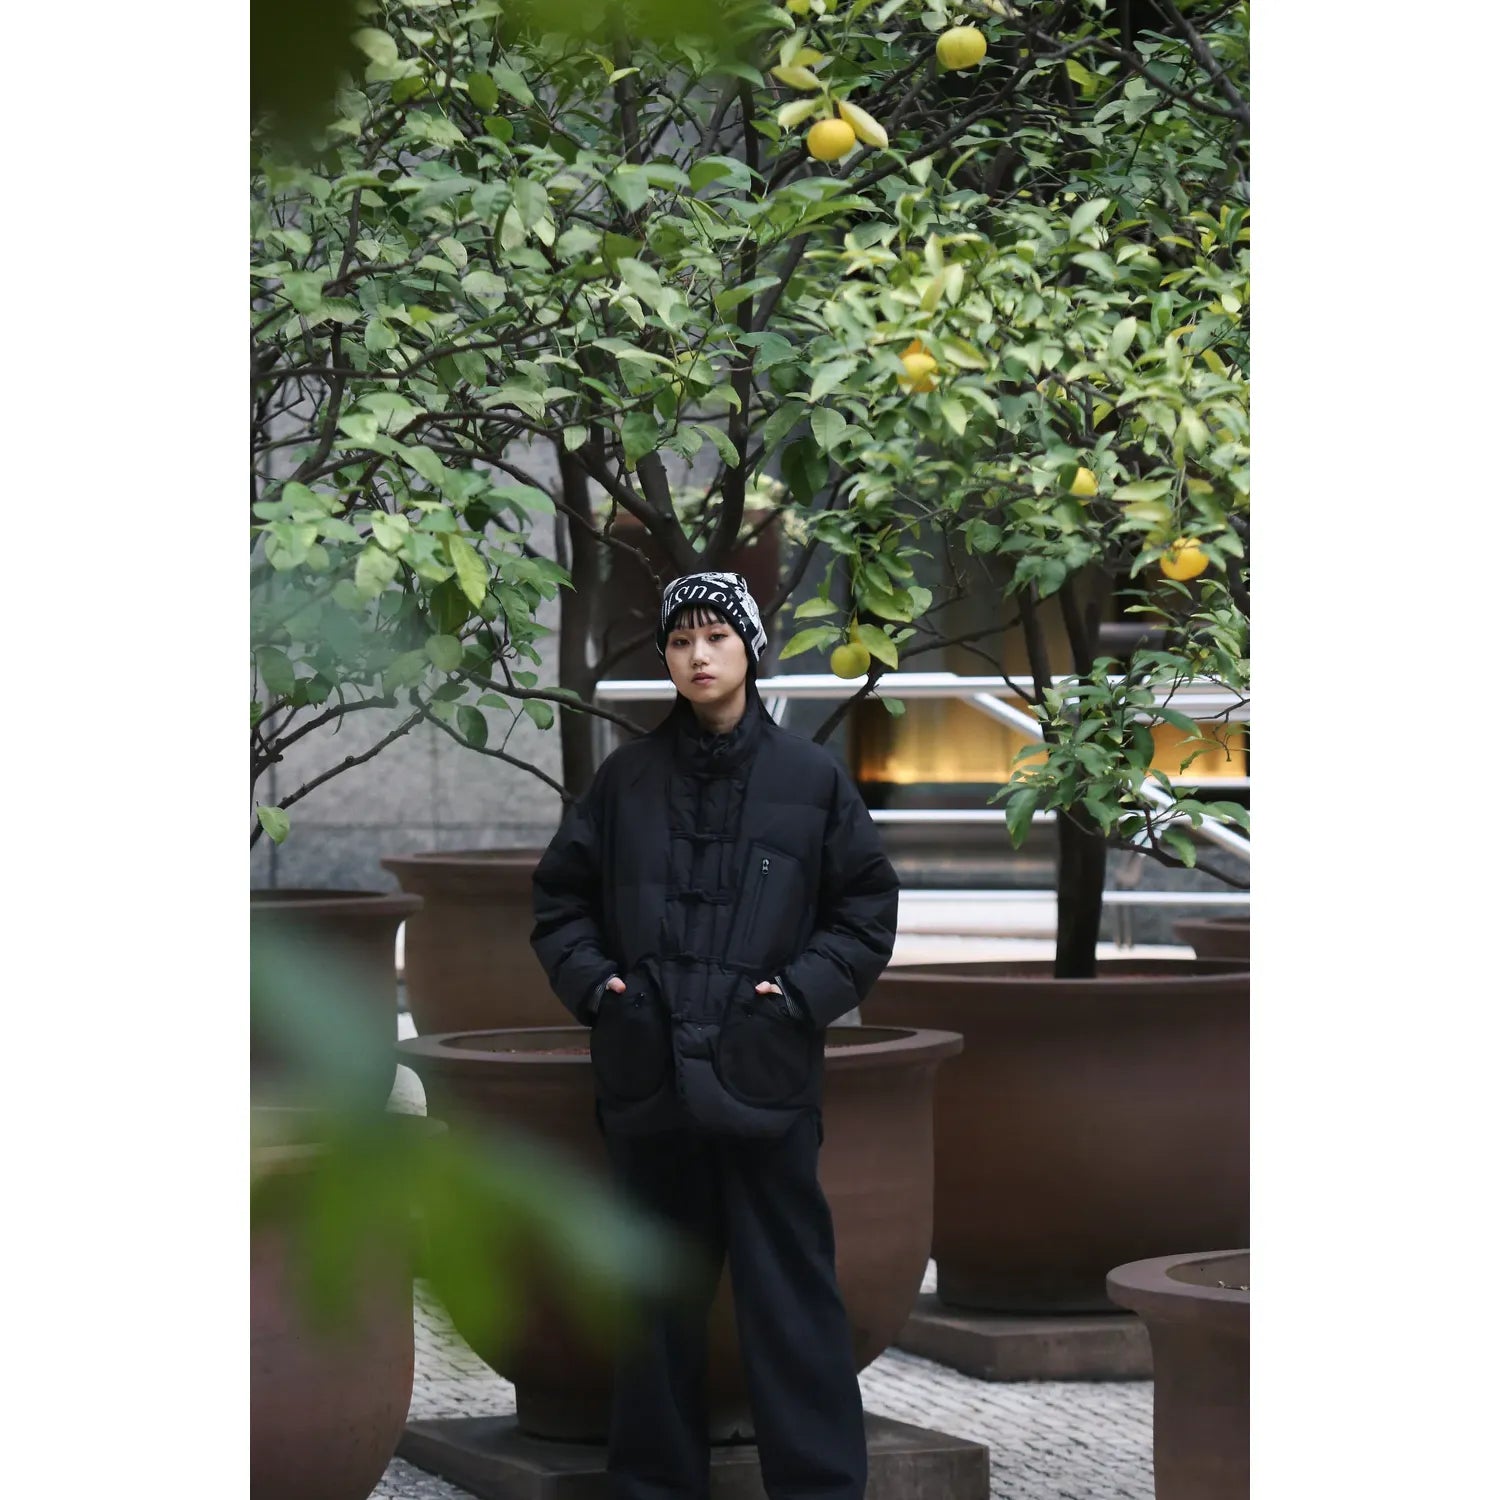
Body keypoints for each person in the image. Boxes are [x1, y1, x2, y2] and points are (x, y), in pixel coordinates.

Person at [530, 569, 900, 1500]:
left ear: (750, 648)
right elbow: (560, 902)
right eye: (681, 640)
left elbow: (865, 911)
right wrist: (603, 990)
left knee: (793, 1305)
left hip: (764, 1078)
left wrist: (796, 995)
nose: (698, 656)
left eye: (716, 637)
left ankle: (820, 1490)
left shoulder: (810, 780)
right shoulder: (626, 780)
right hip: (649, 1078)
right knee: (652, 1308)